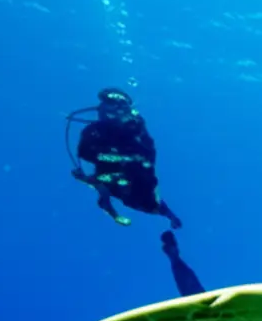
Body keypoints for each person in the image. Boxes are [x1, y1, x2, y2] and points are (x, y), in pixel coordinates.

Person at [67, 87, 182, 229]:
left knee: (144, 195)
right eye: (112, 102)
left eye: (122, 104)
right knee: (107, 186)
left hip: (132, 173)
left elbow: (148, 151)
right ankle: (111, 206)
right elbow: (85, 154)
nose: (118, 108)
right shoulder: (92, 131)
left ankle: (168, 215)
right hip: (113, 172)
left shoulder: (136, 125)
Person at [161, 231, 206, 297]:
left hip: (194, 290)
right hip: (192, 292)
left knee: (190, 280)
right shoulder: (168, 250)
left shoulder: (178, 264)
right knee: (188, 281)